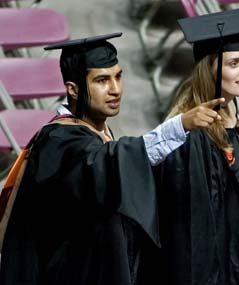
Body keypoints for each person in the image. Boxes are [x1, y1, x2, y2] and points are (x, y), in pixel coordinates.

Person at [0, 32, 224, 285]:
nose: (115, 89)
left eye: (118, 77)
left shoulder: (92, 130)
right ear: (73, 89)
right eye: (102, 80)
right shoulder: (57, 142)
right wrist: (179, 125)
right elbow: (106, 163)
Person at [153, 7, 239, 284]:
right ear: (209, 69)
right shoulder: (192, 133)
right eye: (234, 63)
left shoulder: (229, 112)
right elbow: (192, 232)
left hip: (236, 261)